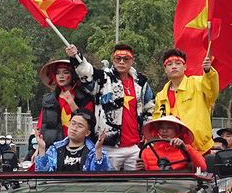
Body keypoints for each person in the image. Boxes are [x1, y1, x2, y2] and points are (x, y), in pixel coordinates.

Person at [67, 42, 154, 171]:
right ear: (113, 60)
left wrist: (147, 131)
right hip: (109, 145)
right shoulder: (103, 78)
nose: (122, 62)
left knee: (136, 186)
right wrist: (76, 56)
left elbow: (149, 107)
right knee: (110, 186)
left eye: (126, 59)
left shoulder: (141, 82)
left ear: (132, 61)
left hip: (135, 147)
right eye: (118, 59)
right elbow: (87, 74)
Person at [152, 48, 219, 155]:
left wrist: (208, 72)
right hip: (171, 150)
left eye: (178, 63)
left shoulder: (198, 84)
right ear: (165, 69)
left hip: (199, 148)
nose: (173, 66)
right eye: (169, 64)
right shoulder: (161, 96)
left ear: (185, 67)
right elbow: (156, 123)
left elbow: (212, 91)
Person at [37, 59, 95, 148]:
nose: (61, 76)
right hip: (54, 147)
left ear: (73, 75)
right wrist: (38, 150)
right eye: (58, 73)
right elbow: (43, 128)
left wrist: (71, 103)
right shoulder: (49, 100)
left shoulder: (85, 98)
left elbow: (87, 121)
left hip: (78, 147)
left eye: (66, 72)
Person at [32, 110, 110, 172]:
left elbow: (100, 177)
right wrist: (42, 149)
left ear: (87, 133)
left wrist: (98, 150)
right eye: (73, 124)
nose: (74, 128)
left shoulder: (93, 152)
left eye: (80, 126)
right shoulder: (55, 149)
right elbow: (43, 176)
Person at [139, 116, 207, 172]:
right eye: (161, 128)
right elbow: (143, 178)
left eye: (169, 128)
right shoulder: (146, 152)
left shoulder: (187, 150)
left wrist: (185, 149)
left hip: (180, 185)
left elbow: (201, 168)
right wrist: (141, 169)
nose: (164, 131)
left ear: (177, 132)